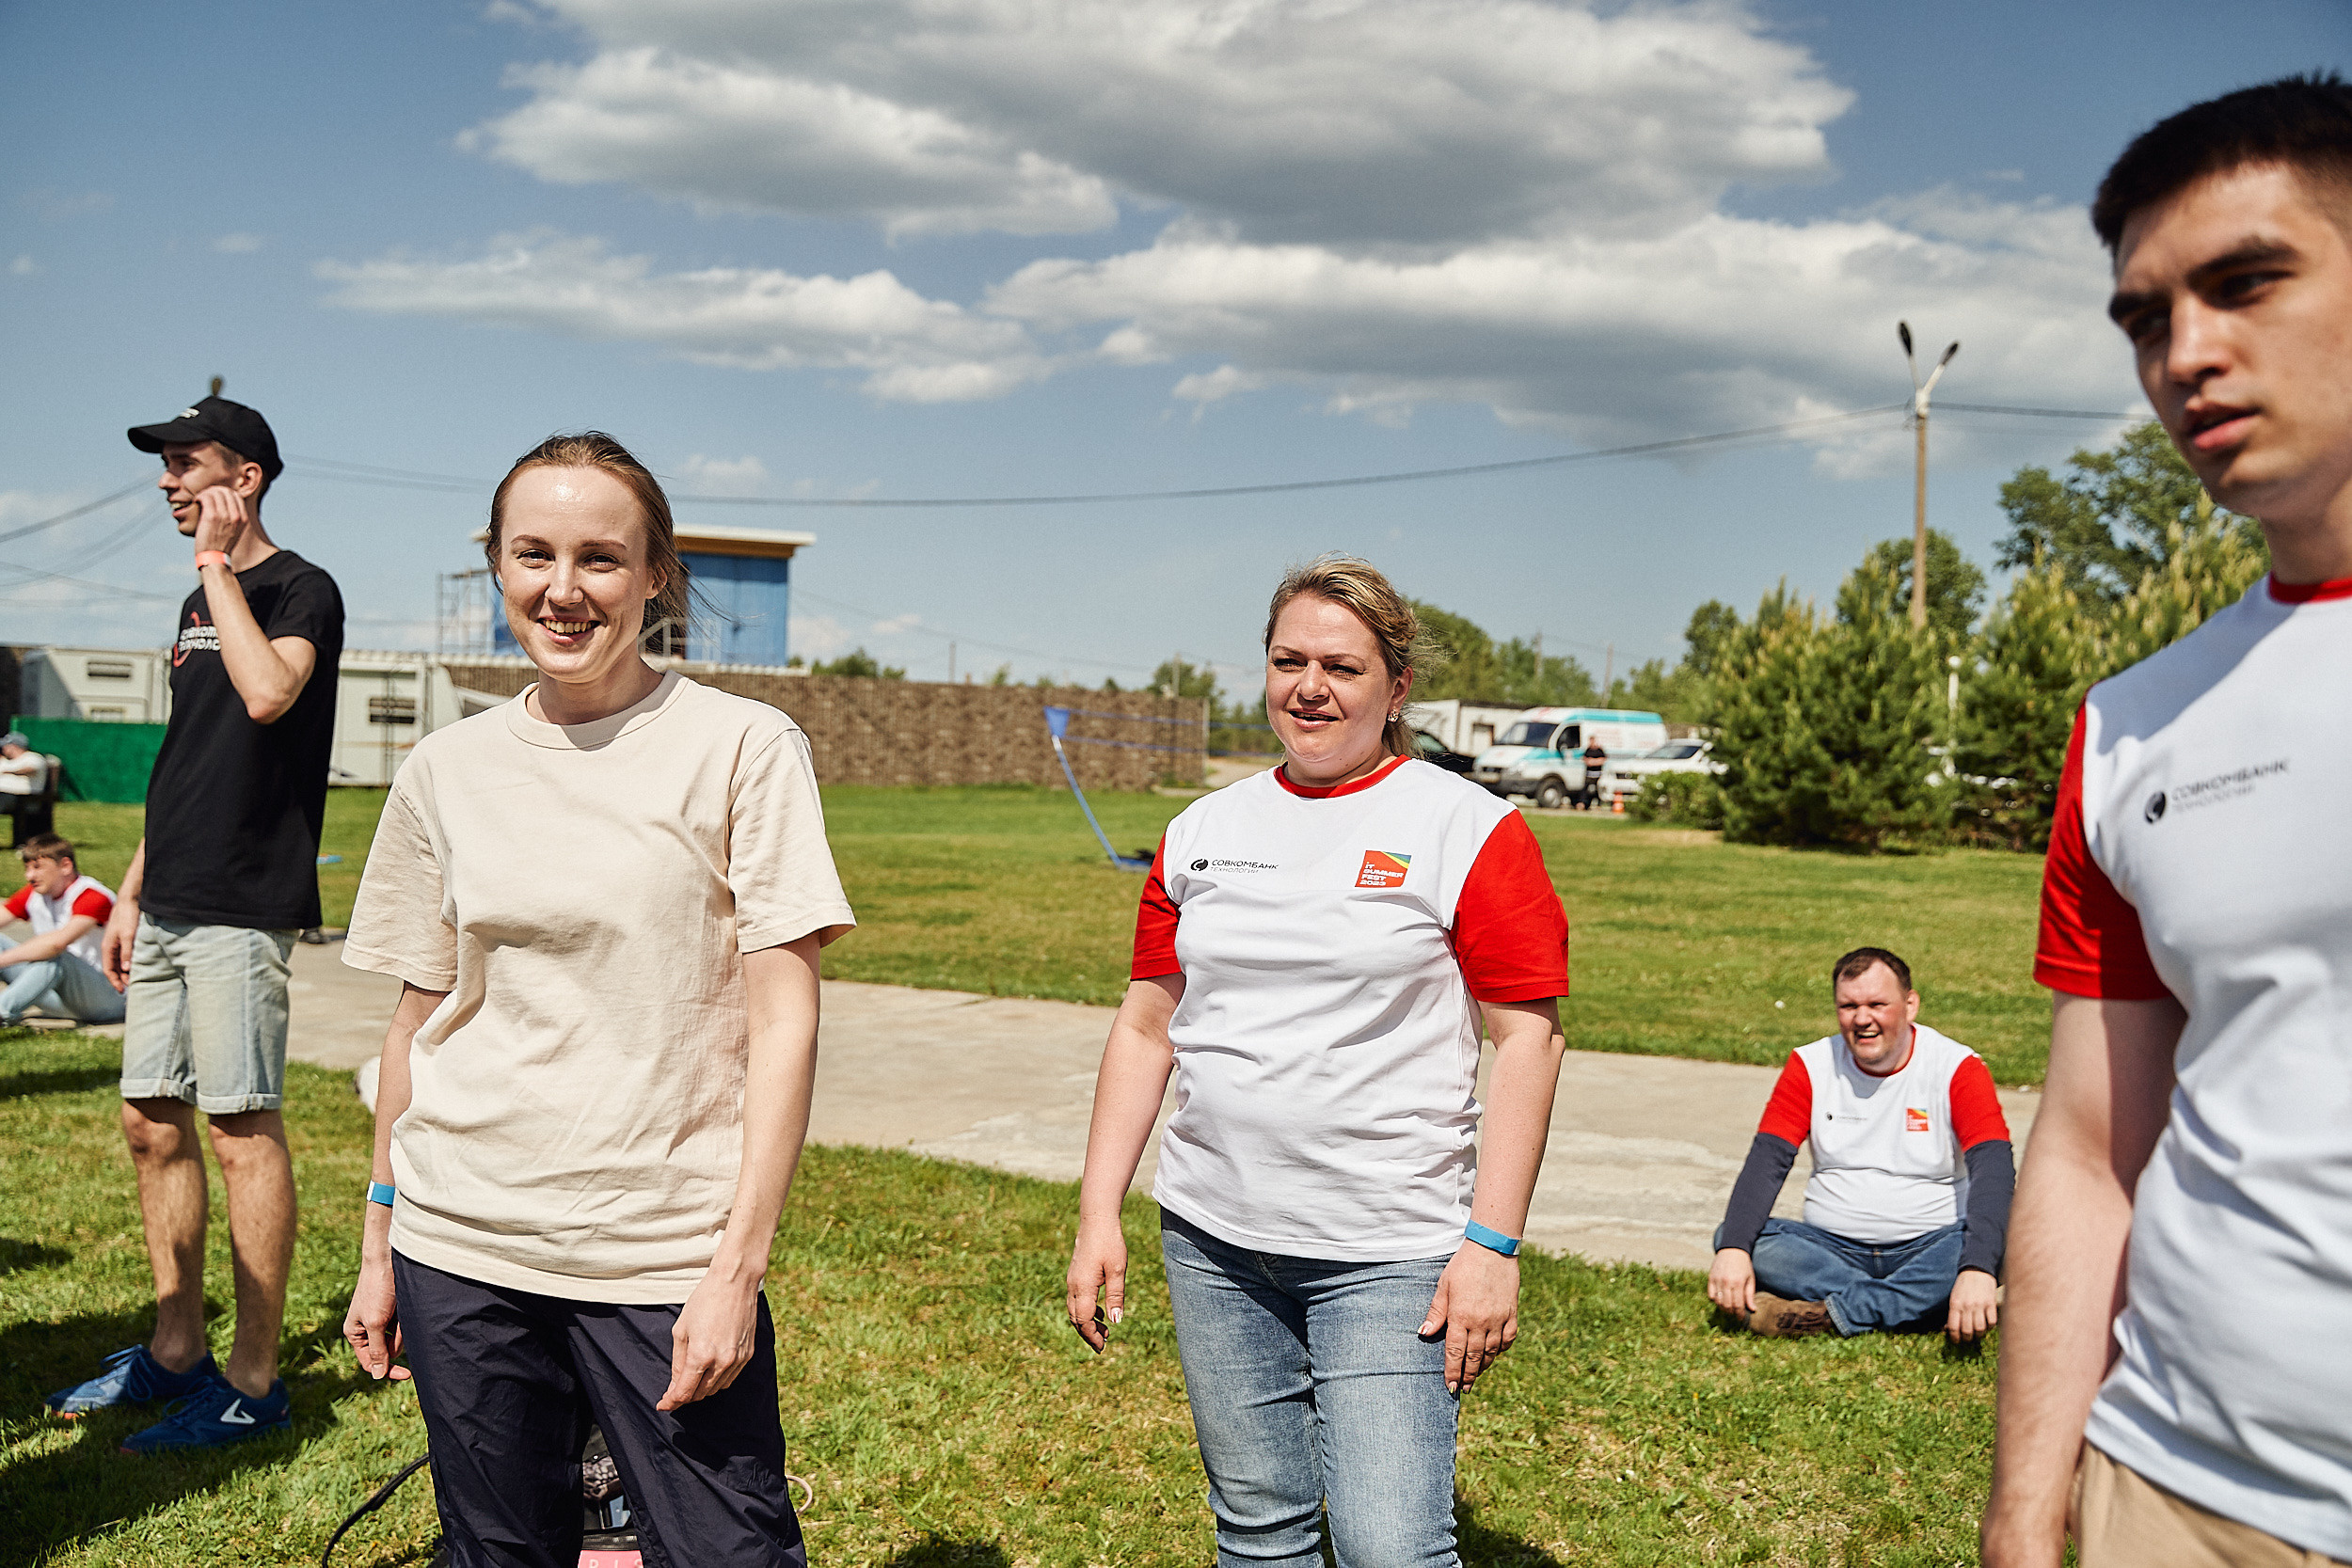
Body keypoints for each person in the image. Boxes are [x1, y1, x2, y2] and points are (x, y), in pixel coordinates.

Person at [341, 433, 852, 1568]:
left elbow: (786, 1020)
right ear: (497, 563)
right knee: (496, 1550)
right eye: (533, 554)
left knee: (730, 1551)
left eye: (600, 558)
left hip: (659, 1254)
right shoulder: (443, 769)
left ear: (655, 572)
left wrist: (735, 1268)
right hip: (459, 1240)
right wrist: (381, 1239)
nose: (563, 589)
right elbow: (417, 1021)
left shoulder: (742, 747)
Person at [1980, 76, 2352, 1568]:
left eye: (2246, 282)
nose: (2185, 353)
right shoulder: (2132, 724)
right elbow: (2088, 1150)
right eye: (2145, 317)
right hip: (2179, 1492)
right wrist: (2027, 1505)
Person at [1065, 554, 1570, 1568]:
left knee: (1391, 1546)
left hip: (1388, 1249)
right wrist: (1097, 1208)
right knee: (1259, 1530)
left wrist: (1492, 1244)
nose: (1310, 687)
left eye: (1341, 666)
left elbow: (1529, 1038)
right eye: (1288, 660)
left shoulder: (1469, 828)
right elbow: (1146, 1025)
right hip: (1212, 1239)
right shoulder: (1200, 830)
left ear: (1397, 685)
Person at [45, 395, 344, 1453]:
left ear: (244, 477)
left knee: (238, 1127)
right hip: (168, 892)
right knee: (149, 1120)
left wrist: (219, 566)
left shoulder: (300, 587)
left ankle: (254, 1381)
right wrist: (130, 887)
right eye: (164, 465)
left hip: (241, 900)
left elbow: (269, 695)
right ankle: (176, 1352)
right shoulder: (194, 601)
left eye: (186, 464)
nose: (168, 482)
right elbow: (191, 750)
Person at [1706, 947, 2012, 1341]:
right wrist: (1733, 1250)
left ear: (1910, 1005)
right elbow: (1767, 1161)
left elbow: (1994, 1171)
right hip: (1829, 1250)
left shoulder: (1958, 1067)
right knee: (1735, 1236)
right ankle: (1920, 1307)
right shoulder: (1810, 1065)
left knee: (2010, 1238)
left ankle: (1833, 1315)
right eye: (1848, 1006)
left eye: (1877, 1005)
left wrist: (1976, 1268)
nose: (1862, 1019)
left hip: (1934, 1243)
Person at [2, 834, 127, 1027]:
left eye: (37, 867)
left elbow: (56, 944)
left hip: (106, 999)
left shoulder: (93, 896)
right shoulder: (35, 893)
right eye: (27, 868)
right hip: (60, 998)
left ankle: (2, 1013)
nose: (29, 876)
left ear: (65, 866)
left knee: (55, 955)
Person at [0, 732, 47, 843]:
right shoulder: (5, 761)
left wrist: (12, 772)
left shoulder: (33, 757)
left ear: (15, 746)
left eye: (5, 746)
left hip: (21, 798)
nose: (3, 749)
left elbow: (31, 769)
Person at [1578, 737, 1608, 810]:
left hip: (1598, 774)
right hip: (1589, 774)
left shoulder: (1599, 750)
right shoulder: (1588, 750)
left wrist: (1593, 762)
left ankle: (1599, 804)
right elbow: (1585, 759)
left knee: (1597, 790)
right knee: (1585, 790)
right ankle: (1583, 804)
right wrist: (1589, 761)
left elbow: (1603, 760)